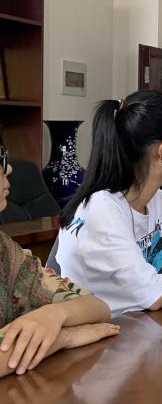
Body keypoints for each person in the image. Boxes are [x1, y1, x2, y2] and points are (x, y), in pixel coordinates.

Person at [54, 91, 162, 316]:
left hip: (155, 326)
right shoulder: (101, 209)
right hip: (111, 334)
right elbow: (155, 295)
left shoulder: (159, 200)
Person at [0, 152, 118, 377]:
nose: (9, 169)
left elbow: (97, 307)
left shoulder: (4, 250)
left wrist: (55, 315)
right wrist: (63, 338)